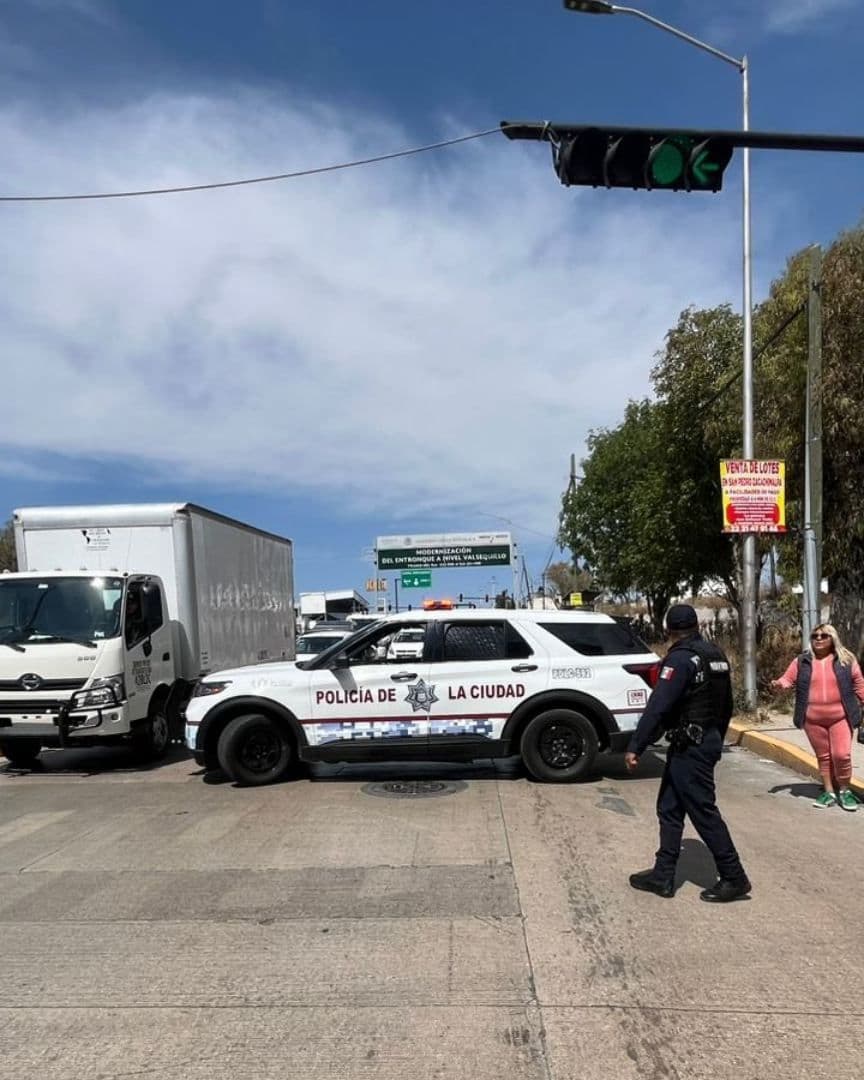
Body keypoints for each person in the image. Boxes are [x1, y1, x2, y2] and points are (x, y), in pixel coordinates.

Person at [625, 603, 751, 903]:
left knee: (703, 811)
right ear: (696, 625)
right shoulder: (715, 655)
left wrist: (637, 746)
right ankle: (663, 875)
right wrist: (715, 738)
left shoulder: (680, 659)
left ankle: (734, 876)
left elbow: (659, 706)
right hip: (704, 740)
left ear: (668, 629)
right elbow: (726, 705)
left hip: (691, 747)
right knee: (669, 807)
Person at [770, 623, 864, 811]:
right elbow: (787, 679)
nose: (819, 639)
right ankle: (829, 792)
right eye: (815, 636)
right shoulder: (802, 661)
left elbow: (859, 683)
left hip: (841, 717)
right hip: (812, 719)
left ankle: (844, 790)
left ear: (833, 638)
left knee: (841, 755)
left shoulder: (846, 660)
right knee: (824, 756)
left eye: (824, 635)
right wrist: (779, 684)